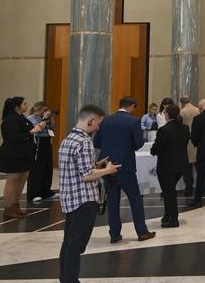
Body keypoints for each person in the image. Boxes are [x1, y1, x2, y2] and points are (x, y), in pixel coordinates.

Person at [57, 104, 120, 283]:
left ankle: (65, 277)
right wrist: (108, 170)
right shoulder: (84, 142)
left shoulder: (68, 139)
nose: (98, 128)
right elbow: (86, 176)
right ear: (91, 121)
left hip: (70, 198)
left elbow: (76, 169)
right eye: (98, 124)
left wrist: (97, 164)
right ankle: (70, 280)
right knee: (76, 245)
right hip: (83, 200)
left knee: (69, 242)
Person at [93, 97, 156, 243]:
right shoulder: (133, 121)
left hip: (107, 165)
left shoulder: (106, 120)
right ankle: (142, 232)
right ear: (132, 106)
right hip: (125, 165)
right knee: (135, 198)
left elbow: (96, 142)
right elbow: (139, 143)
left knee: (112, 201)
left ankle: (114, 234)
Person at [0, 96, 44, 219]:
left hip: (24, 154)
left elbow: (28, 132)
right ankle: (8, 208)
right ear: (16, 106)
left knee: (21, 181)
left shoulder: (22, 118)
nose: (26, 105)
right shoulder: (10, 120)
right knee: (12, 181)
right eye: (24, 104)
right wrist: (32, 131)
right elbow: (14, 137)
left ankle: (16, 205)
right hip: (13, 154)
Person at [151, 103, 190, 228]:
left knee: (169, 193)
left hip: (166, 166)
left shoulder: (164, 130)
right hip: (181, 165)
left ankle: (173, 218)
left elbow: (156, 149)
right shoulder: (185, 128)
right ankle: (168, 214)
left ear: (167, 114)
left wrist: (154, 150)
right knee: (170, 191)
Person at [27, 102, 57, 202]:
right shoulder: (31, 118)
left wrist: (51, 118)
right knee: (37, 169)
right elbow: (38, 129)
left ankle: (46, 191)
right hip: (38, 143)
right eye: (44, 110)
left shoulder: (46, 118)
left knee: (47, 168)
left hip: (47, 142)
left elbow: (52, 128)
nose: (46, 112)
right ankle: (34, 193)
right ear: (38, 110)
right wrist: (44, 119)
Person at [178, 97, 200, 198]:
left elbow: (180, 126)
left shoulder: (182, 111)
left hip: (186, 141)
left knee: (187, 168)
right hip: (197, 141)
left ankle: (189, 188)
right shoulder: (197, 110)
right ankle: (204, 186)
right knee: (199, 167)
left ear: (181, 103)